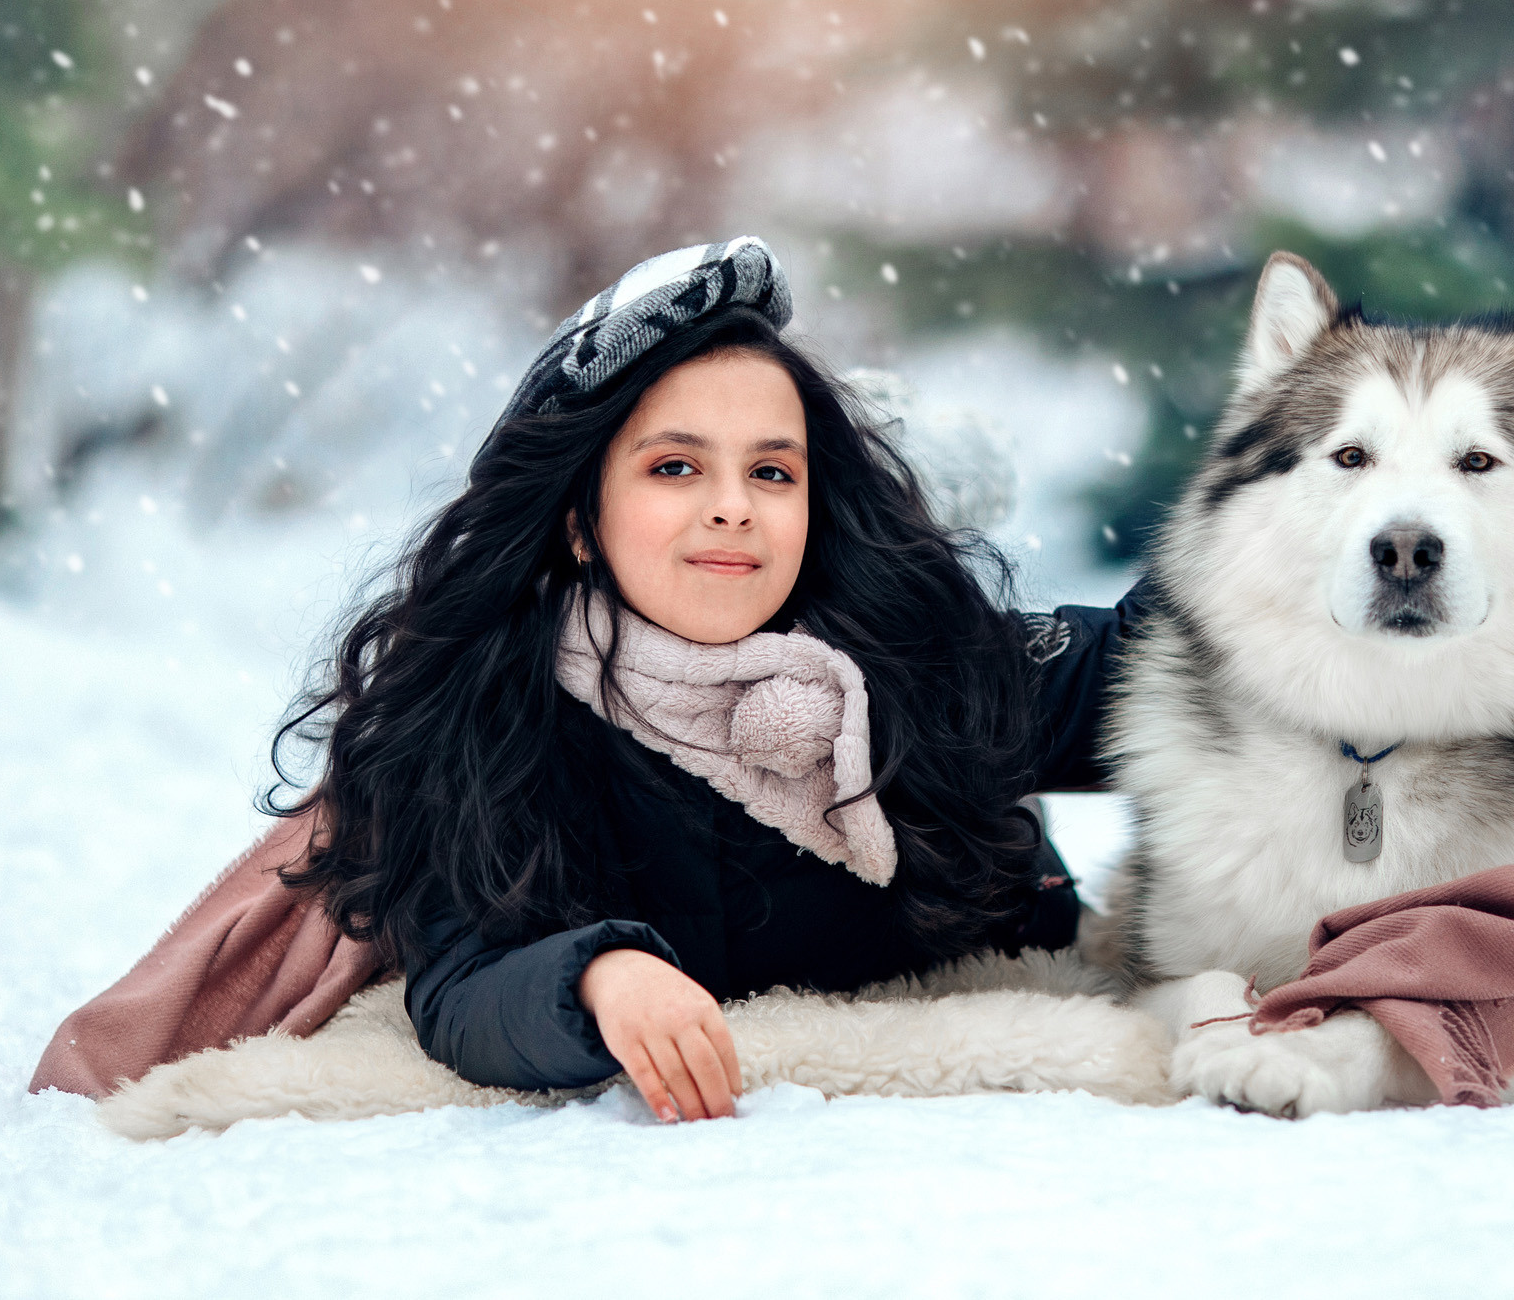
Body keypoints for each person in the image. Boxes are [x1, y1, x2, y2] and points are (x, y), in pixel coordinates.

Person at [269, 238, 1144, 1123]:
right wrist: (600, 976)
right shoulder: (496, 711)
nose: (733, 507)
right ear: (580, 522)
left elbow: (1159, 661)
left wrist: (1243, 477)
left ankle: (919, 460)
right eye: (675, 467)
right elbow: (464, 982)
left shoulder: (917, 650)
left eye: (772, 472)